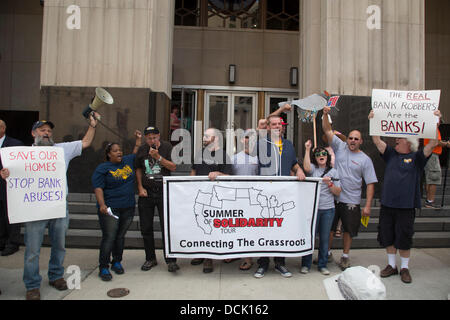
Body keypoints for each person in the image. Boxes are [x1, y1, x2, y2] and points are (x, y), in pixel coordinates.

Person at [0, 113, 99, 300]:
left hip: (59, 207)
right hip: (33, 211)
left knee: (59, 245)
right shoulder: (22, 154)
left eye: (49, 130)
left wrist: (93, 125)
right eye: (42, 130)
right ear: (33, 133)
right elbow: (11, 175)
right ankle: (32, 285)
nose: (46, 133)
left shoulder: (62, 149)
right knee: (32, 249)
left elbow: (85, 142)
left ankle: (56, 276)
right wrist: (5, 174)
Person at [369, 109, 441, 283]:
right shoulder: (391, 154)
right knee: (388, 235)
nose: (396, 140)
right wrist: (373, 121)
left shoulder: (417, 157)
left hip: (406, 206)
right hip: (388, 204)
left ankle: (405, 268)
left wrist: (436, 121)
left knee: (404, 237)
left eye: (399, 138)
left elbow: (433, 143)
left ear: (409, 142)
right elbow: (377, 140)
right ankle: (392, 266)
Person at [322, 106, 378, 271]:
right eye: (351, 138)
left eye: (356, 139)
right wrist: (325, 114)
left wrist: (367, 205)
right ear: (347, 139)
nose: (352, 141)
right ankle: (327, 253)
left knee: (348, 230)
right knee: (330, 228)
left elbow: (370, 184)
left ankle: (345, 257)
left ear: (361, 141)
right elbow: (327, 129)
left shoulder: (365, 160)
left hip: (351, 200)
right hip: (333, 196)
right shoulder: (339, 147)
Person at [254, 115, 306, 278]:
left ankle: (280, 263)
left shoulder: (289, 145)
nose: (277, 127)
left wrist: (299, 170)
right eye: (273, 124)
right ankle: (262, 263)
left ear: (283, 127)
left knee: (281, 228)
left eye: (280, 124)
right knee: (264, 228)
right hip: (265, 194)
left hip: (283, 194)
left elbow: (293, 164)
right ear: (268, 127)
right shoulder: (261, 144)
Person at [92, 131, 142, 281]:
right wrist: (102, 205)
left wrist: (138, 140)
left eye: (120, 150)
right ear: (108, 154)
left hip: (128, 206)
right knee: (109, 237)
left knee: (120, 236)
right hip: (110, 209)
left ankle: (117, 262)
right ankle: (103, 267)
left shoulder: (127, 161)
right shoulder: (103, 168)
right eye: (115, 151)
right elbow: (98, 188)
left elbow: (135, 152)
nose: (119, 152)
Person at [135, 127, 179, 273]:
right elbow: (138, 169)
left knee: (166, 225)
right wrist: (140, 187)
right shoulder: (142, 150)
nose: (152, 140)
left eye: (154, 137)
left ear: (159, 136)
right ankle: (150, 258)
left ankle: (171, 260)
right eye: (149, 138)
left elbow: (173, 167)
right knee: (146, 227)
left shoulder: (167, 147)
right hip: (147, 193)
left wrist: (158, 157)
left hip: (163, 191)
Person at [190, 128, 232, 273]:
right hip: (199, 194)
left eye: (207, 136)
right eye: (204, 136)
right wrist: (189, 186)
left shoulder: (224, 155)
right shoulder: (199, 154)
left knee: (210, 226)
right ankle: (200, 253)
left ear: (216, 138)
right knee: (199, 224)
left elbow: (229, 176)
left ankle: (209, 258)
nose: (204, 138)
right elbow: (194, 171)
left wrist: (218, 173)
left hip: (214, 197)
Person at [301, 140, 341, 275]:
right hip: (313, 209)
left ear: (327, 156)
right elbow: (306, 168)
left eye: (324, 153)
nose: (321, 155)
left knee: (324, 239)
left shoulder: (334, 172)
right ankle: (305, 264)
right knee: (310, 237)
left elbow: (338, 192)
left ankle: (322, 264)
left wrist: (330, 184)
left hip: (328, 210)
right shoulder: (313, 169)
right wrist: (307, 149)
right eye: (318, 154)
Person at [231, 129, 259, 271]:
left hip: (253, 199)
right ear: (242, 140)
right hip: (237, 199)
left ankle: (248, 259)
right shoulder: (234, 158)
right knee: (236, 227)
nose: (248, 140)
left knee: (250, 229)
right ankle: (235, 252)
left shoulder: (259, 158)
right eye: (246, 137)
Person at [0, 119, 23, 256]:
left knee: (11, 216)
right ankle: (1, 241)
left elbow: (20, 165)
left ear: (3, 128)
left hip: (10, 187)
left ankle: (13, 243)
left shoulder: (15, 144)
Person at [423, 128, 449, 208]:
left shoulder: (429, 128)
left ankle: (428, 200)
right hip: (433, 154)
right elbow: (436, 142)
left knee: (429, 178)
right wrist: (447, 144)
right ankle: (430, 201)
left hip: (428, 154)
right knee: (434, 177)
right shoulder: (434, 129)